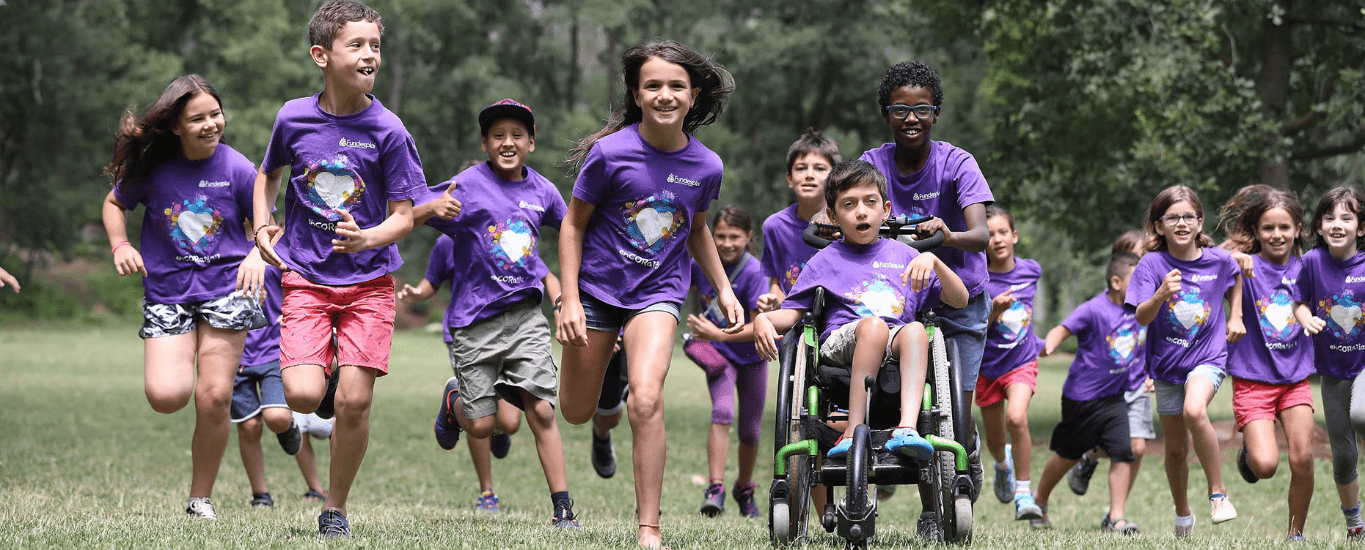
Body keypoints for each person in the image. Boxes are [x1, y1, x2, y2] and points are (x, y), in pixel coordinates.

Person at [556, 40, 741, 549]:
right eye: (653, 86)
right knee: (574, 409)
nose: (665, 95)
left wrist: (722, 288)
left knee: (649, 396)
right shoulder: (610, 154)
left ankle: (649, 529)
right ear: (637, 95)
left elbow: (697, 229)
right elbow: (573, 225)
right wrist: (569, 299)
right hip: (595, 291)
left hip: (657, 293)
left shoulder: (706, 165)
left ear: (693, 94)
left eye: (676, 86)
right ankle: (602, 410)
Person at [251, 0, 426, 538]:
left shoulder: (388, 129)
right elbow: (267, 176)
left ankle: (336, 506)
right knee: (304, 395)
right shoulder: (292, 117)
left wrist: (368, 237)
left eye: (375, 44)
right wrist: (263, 228)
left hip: (370, 282)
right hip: (304, 274)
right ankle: (328, 373)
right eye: (357, 45)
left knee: (353, 403)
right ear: (321, 55)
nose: (370, 53)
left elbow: (406, 215)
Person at [402, 98, 579, 527]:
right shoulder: (466, 184)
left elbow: (574, 228)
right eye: (498, 135)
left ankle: (562, 509)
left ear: (531, 143)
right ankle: (453, 402)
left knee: (539, 411)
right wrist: (431, 210)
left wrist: (568, 297)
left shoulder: (542, 191)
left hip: (524, 317)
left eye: (517, 135)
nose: (507, 142)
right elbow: (410, 209)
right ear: (484, 142)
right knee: (481, 427)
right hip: (473, 322)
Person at [100, 74, 266, 520]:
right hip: (168, 294)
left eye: (216, 114)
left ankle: (200, 499)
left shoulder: (237, 168)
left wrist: (257, 253)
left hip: (227, 290)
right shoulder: (154, 170)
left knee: (213, 398)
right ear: (176, 126)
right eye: (198, 118)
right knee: (167, 395)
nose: (211, 124)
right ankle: (182, 368)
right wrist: (121, 245)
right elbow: (115, 203)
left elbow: (270, 227)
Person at [753, 160, 968, 462]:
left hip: (894, 339)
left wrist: (935, 261)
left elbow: (960, 299)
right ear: (832, 215)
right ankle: (853, 429)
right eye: (849, 204)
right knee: (874, 327)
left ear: (886, 209)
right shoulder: (824, 261)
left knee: (917, 330)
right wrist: (763, 319)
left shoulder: (908, 256)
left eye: (870, 202)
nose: (862, 211)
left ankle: (907, 428)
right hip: (842, 342)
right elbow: (791, 314)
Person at [858, 60, 993, 497]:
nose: (911, 118)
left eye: (921, 109)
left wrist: (948, 234)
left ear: (936, 113)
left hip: (959, 298)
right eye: (900, 109)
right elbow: (845, 201)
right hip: (899, 298)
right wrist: (826, 216)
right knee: (907, 402)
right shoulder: (873, 162)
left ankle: (956, 472)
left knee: (954, 408)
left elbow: (981, 235)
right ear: (886, 115)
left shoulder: (957, 163)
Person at [1125, 185, 1244, 536]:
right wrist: (1161, 293)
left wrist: (1235, 316)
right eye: (1171, 217)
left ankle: (1218, 494)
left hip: (1207, 357)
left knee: (1196, 410)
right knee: (1175, 451)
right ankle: (1182, 515)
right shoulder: (1151, 264)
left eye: (1188, 216)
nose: (1181, 223)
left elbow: (1235, 276)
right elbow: (1141, 318)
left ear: (1199, 221)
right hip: (1166, 365)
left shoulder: (1218, 260)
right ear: (1159, 226)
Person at [1216, 186, 1317, 540]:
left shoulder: (1309, 268)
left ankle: (1296, 534)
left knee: (1302, 458)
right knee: (1265, 465)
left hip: (1295, 379)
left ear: (1298, 229)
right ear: (1256, 233)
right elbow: (1201, 258)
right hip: (1253, 379)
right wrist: (1232, 255)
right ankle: (1250, 452)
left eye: (1284, 227)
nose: (1277, 235)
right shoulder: (1246, 266)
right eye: (1268, 228)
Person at [1034, 252, 1144, 533]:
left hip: (1113, 397)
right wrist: (1048, 347)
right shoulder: (1094, 309)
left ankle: (1116, 517)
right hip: (1081, 398)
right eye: (1137, 280)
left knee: (1124, 451)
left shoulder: (1139, 310)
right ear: (1116, 282)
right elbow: (1062, 329)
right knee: (1068, 455)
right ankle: (1038, 502)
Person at [1065, 233, 1154, 531]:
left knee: (1137, 449)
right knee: (1119, 444)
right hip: (1106, 392)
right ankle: (1090, 456)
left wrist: (1154, 373)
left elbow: (1155, 341)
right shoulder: (1107, 307)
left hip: (1137, 386)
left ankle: (1115, 514)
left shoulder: (1149, 302)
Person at [684, 204, 768, 518]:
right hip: (719, 358)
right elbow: (677, 288)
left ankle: (743, 488)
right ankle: (715, 488)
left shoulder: (754, 271)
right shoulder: (702, 264)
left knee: (750, 431)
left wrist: (717, 334)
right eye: (720, 236)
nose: (727, 243)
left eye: (735, 236)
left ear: (748, 237)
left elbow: (760, 327)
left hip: (752, 356)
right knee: (722, 411)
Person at [1291, 185, 1365, 541]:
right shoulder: (1312, 263)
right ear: (1319, 226)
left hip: (1364, 365)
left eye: (1346, 218)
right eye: (1329, 217)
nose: (1337, 224)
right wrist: (1304, 318)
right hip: (1332, 372)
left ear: (1360, 228)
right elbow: (1299, 302)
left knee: (1360, 415)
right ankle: (1355, 526)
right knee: (1342, 456)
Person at [976, 206, 1044, 520]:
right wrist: (993, 310)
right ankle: (1003, 465)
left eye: (1003, 232)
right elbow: (974, 327)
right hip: (987, 369)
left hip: (1021, 362)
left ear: (1014, 236)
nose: (997, 239)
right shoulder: (978, 279)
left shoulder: (1031, 270)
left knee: (1017, 419)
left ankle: (1024, 494)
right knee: (995, 441)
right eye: (989, 235)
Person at [231, 264, 305, 509]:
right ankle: (260, 494)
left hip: (273, 352)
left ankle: (288, 426)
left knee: (277, 418)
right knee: (249, 427)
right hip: (233, 355)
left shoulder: (273, 256)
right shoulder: (222, 253)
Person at [757, 129, 842, 312]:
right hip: (794, 323)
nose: (809, 175)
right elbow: (778, 284)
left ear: (834, 178)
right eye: (801, 168)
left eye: (819, 168)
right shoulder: (775, 226)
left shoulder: (847, 223)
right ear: (789, 178)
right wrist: (773, 300)